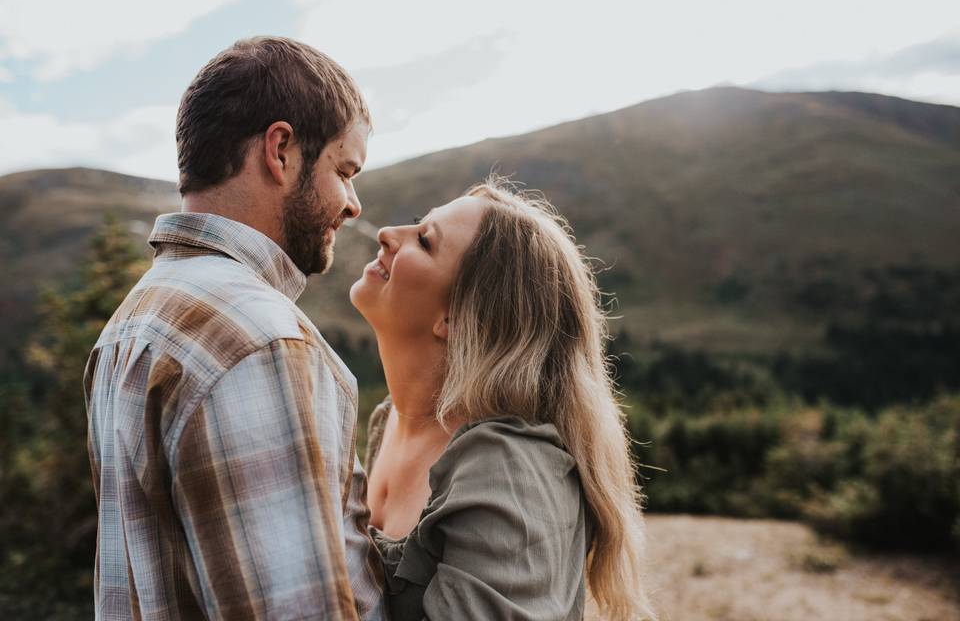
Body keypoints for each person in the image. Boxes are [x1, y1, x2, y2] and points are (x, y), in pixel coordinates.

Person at [84, 36, 385, 620]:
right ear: (280, 151)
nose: (352, 204)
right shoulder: (258, 337)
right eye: (343, 170)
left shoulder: (130, 323)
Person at [349, 179, 658, 620]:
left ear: (456, 317)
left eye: (424, 240)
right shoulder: (388, 422)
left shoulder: (506, 466)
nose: (387, 233)